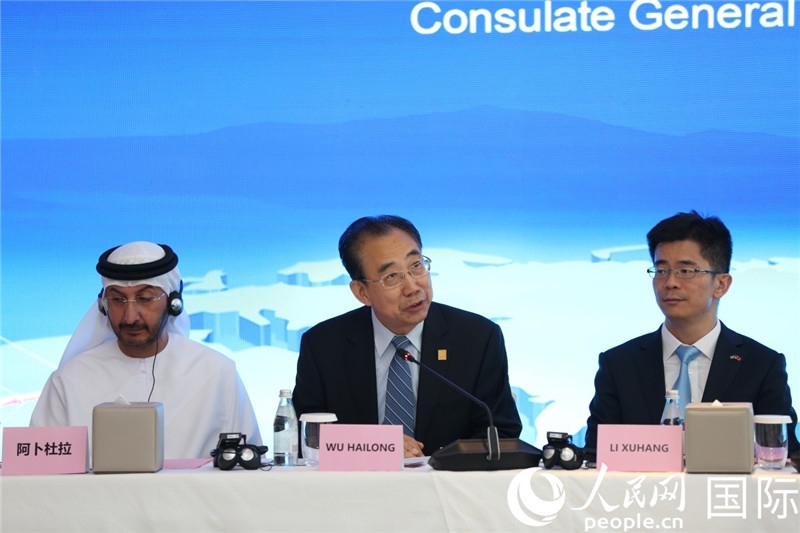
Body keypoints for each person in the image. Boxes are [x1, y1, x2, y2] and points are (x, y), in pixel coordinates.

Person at [293, 215, 522, 458]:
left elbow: (502, 434)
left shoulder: (477, 338)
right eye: (392, 276)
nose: (413, 287)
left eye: (416, 266)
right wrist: (377, 446)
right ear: (362, 292)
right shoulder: (323, 346)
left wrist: (439, 463)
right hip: (357, 481)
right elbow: (305, 437)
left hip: (445, 481)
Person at [585, 211, 798, 454]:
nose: (670, 282)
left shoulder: (761, 366)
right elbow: (594, 456)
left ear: (721, 284)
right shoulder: (619, 364)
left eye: (685, 271)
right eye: (661, 271)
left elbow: (783, 457)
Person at [30, 241, 261, 459]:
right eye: (118, 300)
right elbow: (38, 471)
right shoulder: (69, 380)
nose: (130, 317)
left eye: (145, 298)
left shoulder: (217, 373)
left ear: (173, 302)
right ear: (103, 305)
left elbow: (249, 465)